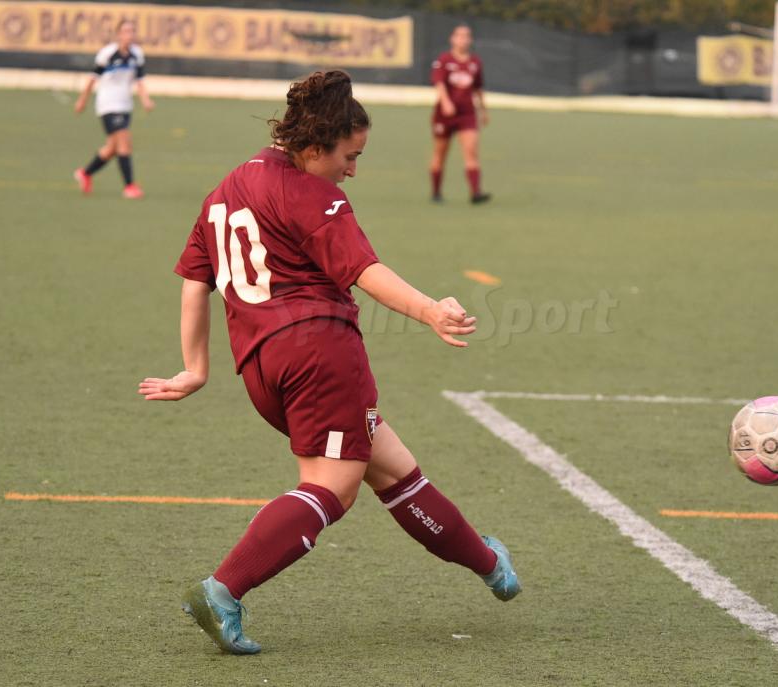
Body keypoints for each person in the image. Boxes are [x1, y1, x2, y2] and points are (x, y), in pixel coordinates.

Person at [138, 70, 520, 655]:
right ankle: (223, 589)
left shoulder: (226, 189)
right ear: (315, 147)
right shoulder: (312, 193)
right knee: (331, 490)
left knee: (393, 469)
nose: (352, 170)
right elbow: (365, 271)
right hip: (320, 356)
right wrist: (429, 311)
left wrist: (195, 367)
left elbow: (195, 281)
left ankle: (491, 565)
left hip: (262, 369)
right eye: (350, 156)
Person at [73, 19, 153, 199]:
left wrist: (146, 100)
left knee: (112, 148)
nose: (129, 35)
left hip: (125, 106)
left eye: (132, 31)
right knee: (124, 142)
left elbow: (139, 81)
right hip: (108, 104)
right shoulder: (107, 54)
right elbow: (92, 78)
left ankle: (85, 173)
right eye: (125, 31)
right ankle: (129, 186)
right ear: (118, 34)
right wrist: (82, 101)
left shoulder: (137, 54)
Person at [429, 24, 490, 204]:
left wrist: (483, 110)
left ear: (470, 40)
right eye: (459, 36)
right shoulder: (444, 60)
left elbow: (477, 89)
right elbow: (439, 83)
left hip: (467, 114)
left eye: (466, 36)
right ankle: (436, 192)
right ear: (452, 39)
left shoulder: (475, 62)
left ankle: (475, 193)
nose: (463, 39)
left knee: (471, 151)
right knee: (440, 153)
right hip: (444, 115)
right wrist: (446, 102)